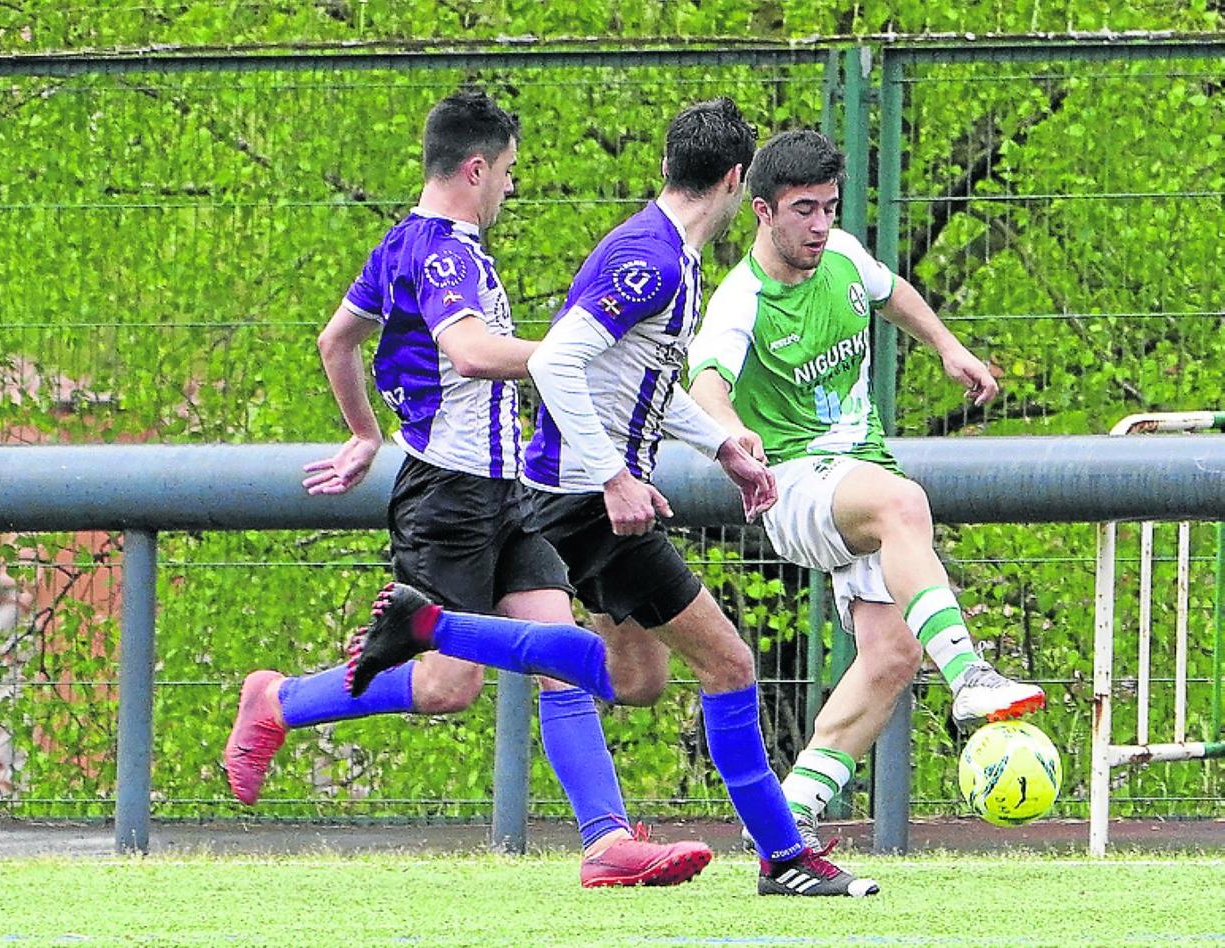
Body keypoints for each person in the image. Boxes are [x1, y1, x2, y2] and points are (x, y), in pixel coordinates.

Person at [348, 98, 880, 897]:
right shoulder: (654, 259)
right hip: (583, 499)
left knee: (636, 680)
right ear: (738, 182)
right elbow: (561, 363)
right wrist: (614, 475)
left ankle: (431, 624)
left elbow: (634, 380)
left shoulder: (671, 254)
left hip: (571, 493)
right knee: (730, 663)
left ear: (669, 166)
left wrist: (722, 445)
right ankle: (783, 856)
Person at [223, 88, 713, 890]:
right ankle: (278, 701)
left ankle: (606, 841)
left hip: (507, 492)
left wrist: (364, 434)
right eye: (509, 173)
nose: (511, 189)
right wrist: (576, 353)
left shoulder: (403, 243)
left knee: (560, 657)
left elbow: (336, 340)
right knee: (449, 687)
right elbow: (475, 352)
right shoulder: (444, 253)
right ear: (476, 167)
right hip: (447, 498)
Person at [686, 128, 1046, 861]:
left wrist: (950, 348)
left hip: (855, 469)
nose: (820, 225)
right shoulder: (740, 303)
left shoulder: (843, 254)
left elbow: (892, 292)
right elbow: (705, 388)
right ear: (761, 211)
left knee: (889, 656)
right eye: (803, 211)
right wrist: (733, 439)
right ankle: (970, 675)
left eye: (829, 207)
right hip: (789, 484)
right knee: (903, 503)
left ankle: (785, 827)